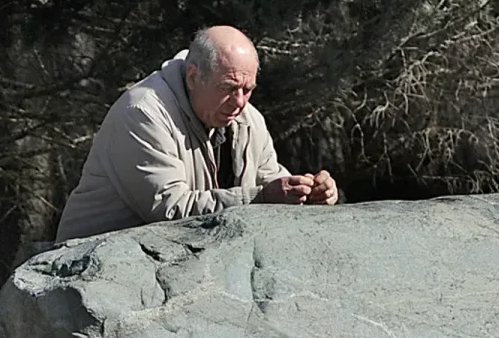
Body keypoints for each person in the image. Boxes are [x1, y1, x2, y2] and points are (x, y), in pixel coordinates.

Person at [55, 26, 338, 242]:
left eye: (248, 89)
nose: (240, 101)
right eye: (228, 88)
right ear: (193, 77)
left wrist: (308, 194)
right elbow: (169, 210)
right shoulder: (142, 113)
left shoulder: (248, 119)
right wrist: (261, 198)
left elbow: (270, 182)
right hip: (84, 269)